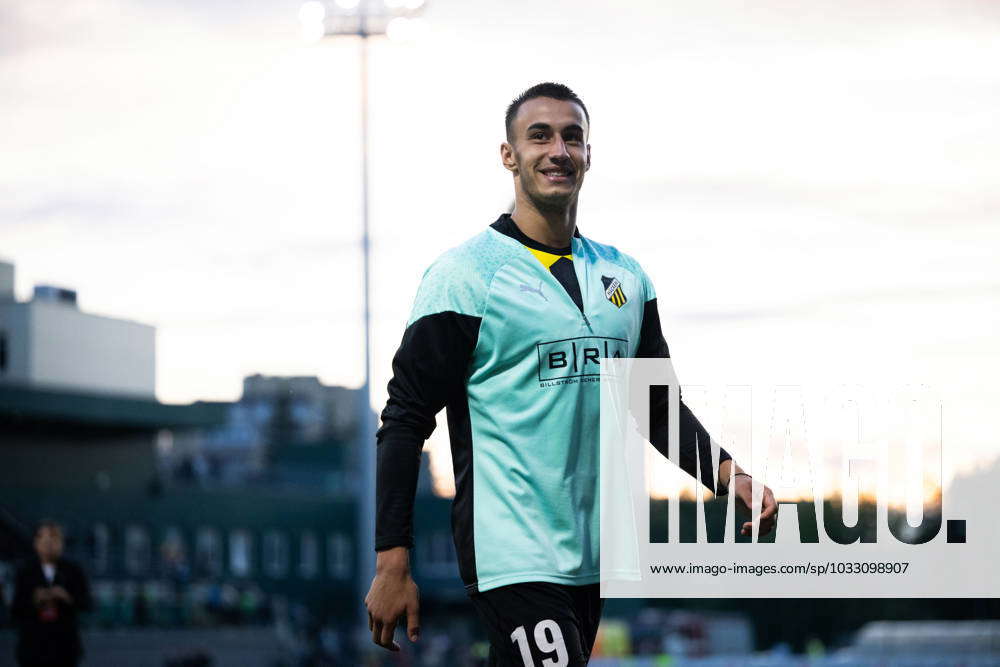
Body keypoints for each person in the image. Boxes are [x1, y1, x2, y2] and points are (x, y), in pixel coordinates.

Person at [365, 82, 778, 665]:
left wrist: (729, 474)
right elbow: (404, 421)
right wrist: (392, 562)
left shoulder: (626, 277)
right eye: (540, 136)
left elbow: (655, 406)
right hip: (510, 554)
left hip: (593, 558)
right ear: (509, 156)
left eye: (572, 137)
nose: (558, 149)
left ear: (588, 154)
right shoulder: (464, 277)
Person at [11, 521, 92, 667]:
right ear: (36, 543)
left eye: (55, 539)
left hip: (65, 647)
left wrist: (67, 597)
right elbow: (15, 609)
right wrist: (34, 599)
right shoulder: (25, 572)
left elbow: (87, 604)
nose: (50, 544)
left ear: (62, 543)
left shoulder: (73, 571)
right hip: (32, 647)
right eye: (46, 540)